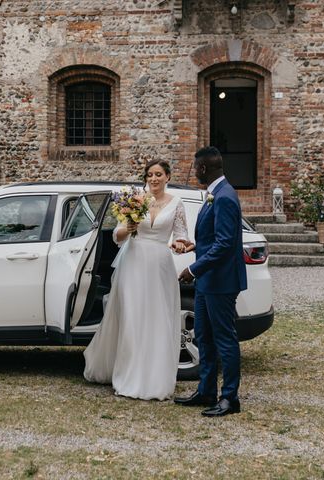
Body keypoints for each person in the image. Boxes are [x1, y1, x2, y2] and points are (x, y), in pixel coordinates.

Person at [83, 159, 194, 400]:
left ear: (167, 177)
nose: (154, 179)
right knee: (133, 319)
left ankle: (155, 378)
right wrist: (130, 226)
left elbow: (182, 236)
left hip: (160, 265)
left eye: (158, 174)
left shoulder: (177, 203)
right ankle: (129, 376)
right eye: (150, 175)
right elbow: (117, 236)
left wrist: (179, 244)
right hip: (133, 264)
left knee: (158, 319)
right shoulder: (135, 200)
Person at [176, 146, 248, 417]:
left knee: (225, 340)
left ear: (204, 168)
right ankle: (206, 390)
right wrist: (195, 246)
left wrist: (193, 269)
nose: (195, 172)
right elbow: (213, 240)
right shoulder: (214, 194)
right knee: (204, 337)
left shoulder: (225, 197)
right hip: (208, 281)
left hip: (221, 281)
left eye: (196, 168)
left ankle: (230, 398)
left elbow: (226, 243)